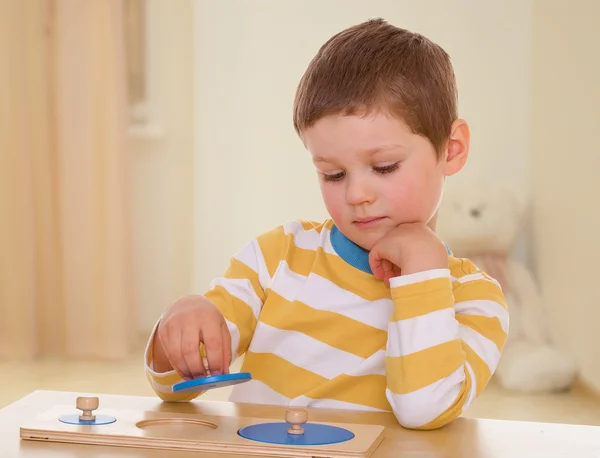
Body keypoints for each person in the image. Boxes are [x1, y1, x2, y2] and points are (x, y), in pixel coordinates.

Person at [144, 18, 508, 430]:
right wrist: (179, 328)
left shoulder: (474, 299)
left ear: (452, 150)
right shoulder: (276, 257)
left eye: (384, 167)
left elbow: (423, 410)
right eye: (333, 174)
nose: (356, 195)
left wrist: (423, 270)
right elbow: (176, 384)